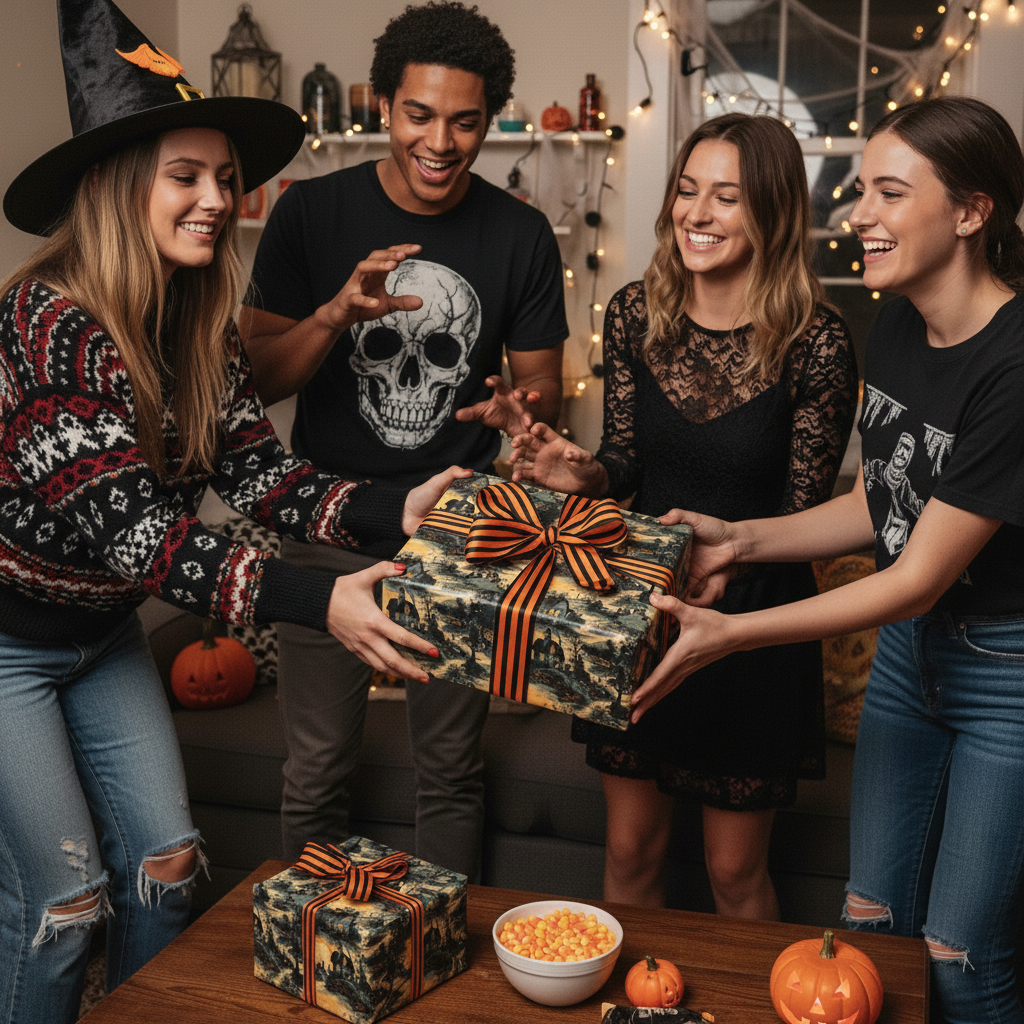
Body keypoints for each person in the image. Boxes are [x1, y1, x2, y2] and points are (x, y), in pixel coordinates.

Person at [0, 3, 470, 1022]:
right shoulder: (48, 321)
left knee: (169, 866)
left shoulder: (199, 323)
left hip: (102, 635)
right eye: (187, 176)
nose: (218, 199)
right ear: (116, 184)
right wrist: (320, 599)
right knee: (65, 908)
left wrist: (398, 505)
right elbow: (144, 538)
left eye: (224, 177)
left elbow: (267, 478)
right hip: (8, 649)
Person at [627, 96, 1024, 1024]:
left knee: (960, 957)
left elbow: (915, 576)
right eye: (862, 191)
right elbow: (883, 503)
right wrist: (738, 538)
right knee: (868, 924)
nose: (858, 214)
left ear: (972, 212)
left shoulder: (1013, 367)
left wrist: (729, 633)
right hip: (911, 663)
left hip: (1005, 672)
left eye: (890, 193)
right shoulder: (899, 325)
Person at [242, 1, 567, 877]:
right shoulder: (309, 214)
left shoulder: (522, 235)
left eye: (465, 121)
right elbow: (258, 379)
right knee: (316, 771)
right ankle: (314, 937)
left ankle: (443, 940)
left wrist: (520, 411)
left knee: (451, 772)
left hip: (461, 530)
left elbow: (542, 391)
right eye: (419, 114)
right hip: (326, 523)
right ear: (383, 104)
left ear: (489, 119)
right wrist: (333, 317)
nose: (440, 141)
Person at [509, 112, 858, 918]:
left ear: (772, 211)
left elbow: (802, 519)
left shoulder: (817, 342)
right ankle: (639, 990)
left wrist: (727, 580)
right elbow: (626, 463)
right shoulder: (637, 313)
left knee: (734, 873)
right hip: (642, 613)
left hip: (751, 630)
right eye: (687, 190)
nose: (697, 214)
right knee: (630, 850)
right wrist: (584, 472)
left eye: (726, 197)